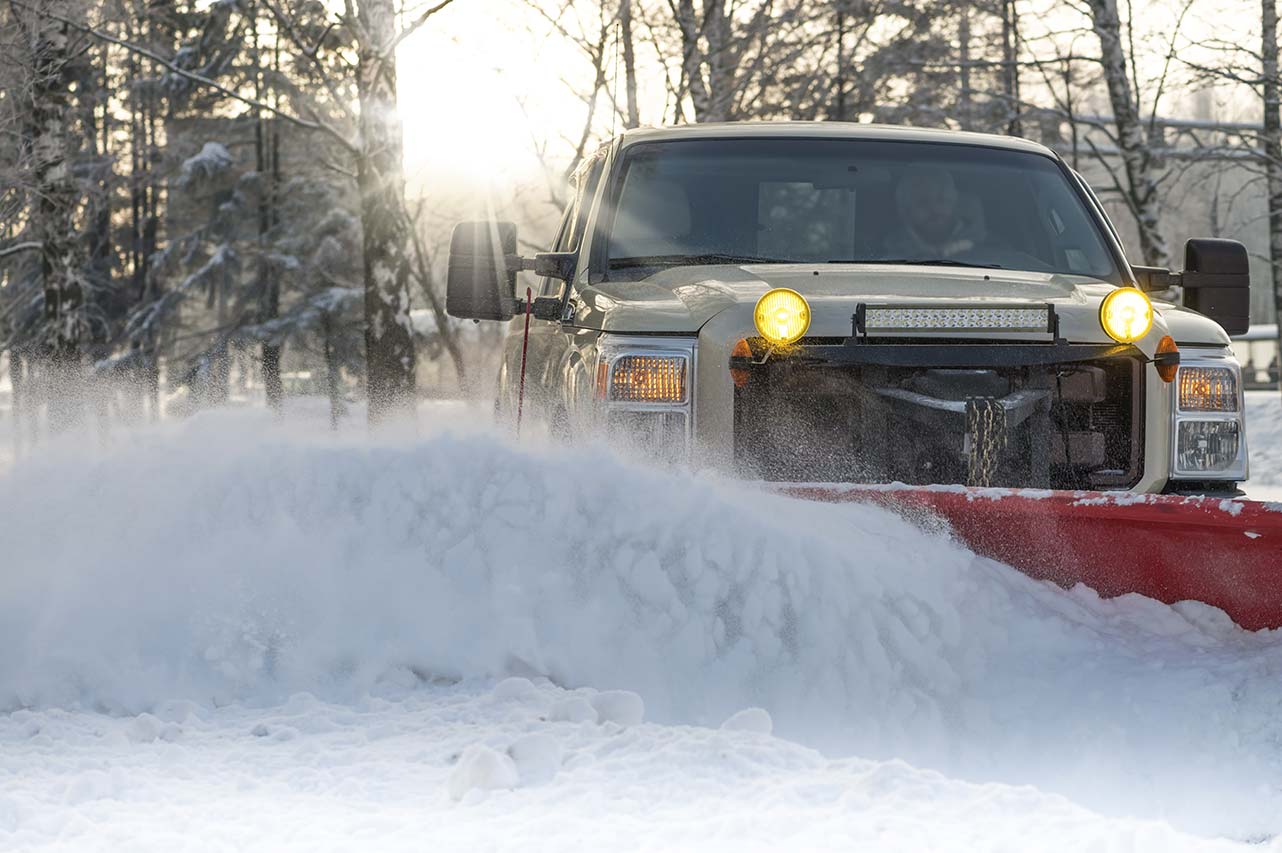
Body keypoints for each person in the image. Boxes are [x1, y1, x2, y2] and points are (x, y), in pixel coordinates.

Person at [884, 165, 985, 260]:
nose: (934, 209)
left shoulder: (990, 251)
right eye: (922, 203)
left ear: (954, 204)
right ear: (905, 211)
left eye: (942, 200)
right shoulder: (887, 258)